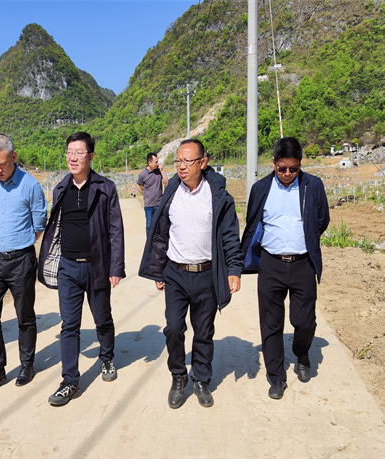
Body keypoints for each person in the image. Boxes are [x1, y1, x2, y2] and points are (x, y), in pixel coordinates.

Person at [139, 139, 242, 409]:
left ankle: (201, 379)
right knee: (173, 328)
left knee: (204, 331)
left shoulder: (218, 196)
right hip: (175, 272)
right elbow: (160, 235)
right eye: (178, 161)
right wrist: (158, 270)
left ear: (203, 162)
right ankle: (178, 376)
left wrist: (234, 269)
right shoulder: (171, 192)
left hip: (207, 273)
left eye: (188, 161)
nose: (182, 166)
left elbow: (230, 235)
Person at [37, 131, 125, 406]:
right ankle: (69, 381)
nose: (72, 158)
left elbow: (115, 230)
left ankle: (107, 357)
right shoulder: (61, 188)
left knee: (102, 318)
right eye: (69, 153)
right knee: (69, 325)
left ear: (90, 156)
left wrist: (116, 267)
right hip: (68, 268)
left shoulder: (105, 187)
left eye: (78, 153)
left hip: (97, 266)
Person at [240, 137, 330, 400]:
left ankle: (302, 352)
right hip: (271, 264)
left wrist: (306, 239)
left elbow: (322, 219)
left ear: (300, 164)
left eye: (293, 168)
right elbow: (252, 222)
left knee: (305, 321)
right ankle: (276, 376)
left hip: (303, 264)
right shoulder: (260, 188)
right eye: (282, 168)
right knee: (271, 323)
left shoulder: (313, 186)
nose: (288, 173)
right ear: (273, 163)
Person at [0, 134, 47, 395]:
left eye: (2, 164)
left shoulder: (31, 186)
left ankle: (27, 364)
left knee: (24, 316)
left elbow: (39, 224)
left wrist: (19, 243)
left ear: (14, 157)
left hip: (21, 262)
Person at [136, 152, 168, 235]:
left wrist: (162, 171)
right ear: (149, 163)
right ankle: (149, 241)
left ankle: (158, 241)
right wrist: (145, 195)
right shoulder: (142, 175)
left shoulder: (159, 172)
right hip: (149, 206)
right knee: (149, 226)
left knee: (160, 225)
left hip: (159, 204)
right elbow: (138, 187)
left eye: (157, 161)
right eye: (156, 162)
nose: (158, 163)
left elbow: (166, 182)